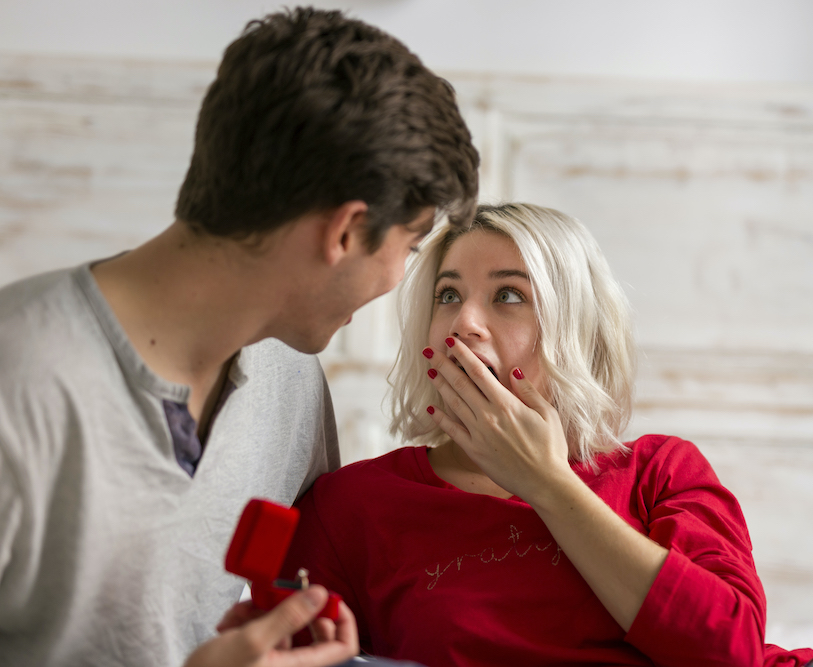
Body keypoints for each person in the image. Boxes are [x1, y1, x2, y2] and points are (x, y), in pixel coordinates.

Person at [0, 7, 478, 667]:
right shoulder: (16, 376)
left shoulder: (290, 380)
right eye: (411, 244)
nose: (402, 278)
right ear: (344, 232)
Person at [281, 203, 813, 667]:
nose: (464, 323)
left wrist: (548, 484)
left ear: (575, 328)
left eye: (509, 295)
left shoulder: (661, 471)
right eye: (448, 294)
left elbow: (730, 653)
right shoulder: (349, 508)